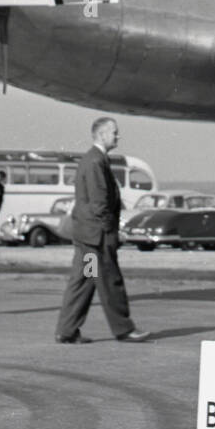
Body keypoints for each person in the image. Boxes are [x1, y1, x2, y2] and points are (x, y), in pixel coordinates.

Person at [55, 119, 150, 343]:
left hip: (87, 236)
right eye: (115, 133)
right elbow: (100, 203)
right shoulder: (97, 161)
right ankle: (124, 329)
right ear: (101, 134)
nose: (118, 137)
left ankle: (67, 331)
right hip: (98, 238)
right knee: (109, 281)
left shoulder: (91, 159)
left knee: (85, 281)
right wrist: (111, 234)